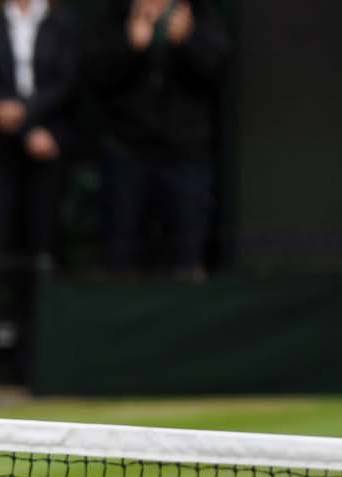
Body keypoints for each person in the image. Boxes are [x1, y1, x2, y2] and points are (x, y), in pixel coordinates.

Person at [0, 0, 80, 386]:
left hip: (48, 150)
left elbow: (66, 81)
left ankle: (41, 366)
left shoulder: (63, 23)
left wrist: (28, 116)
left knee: (42, 254)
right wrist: (12, 120)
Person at [91, 0, 229, 277]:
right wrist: (129, 48)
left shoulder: (200, 13)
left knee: (187, 257)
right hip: (126, 152)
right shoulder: (116, 15)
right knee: (120, 258)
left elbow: (217, 70)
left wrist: (188, 40)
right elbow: (94, 76)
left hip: (186, 154)